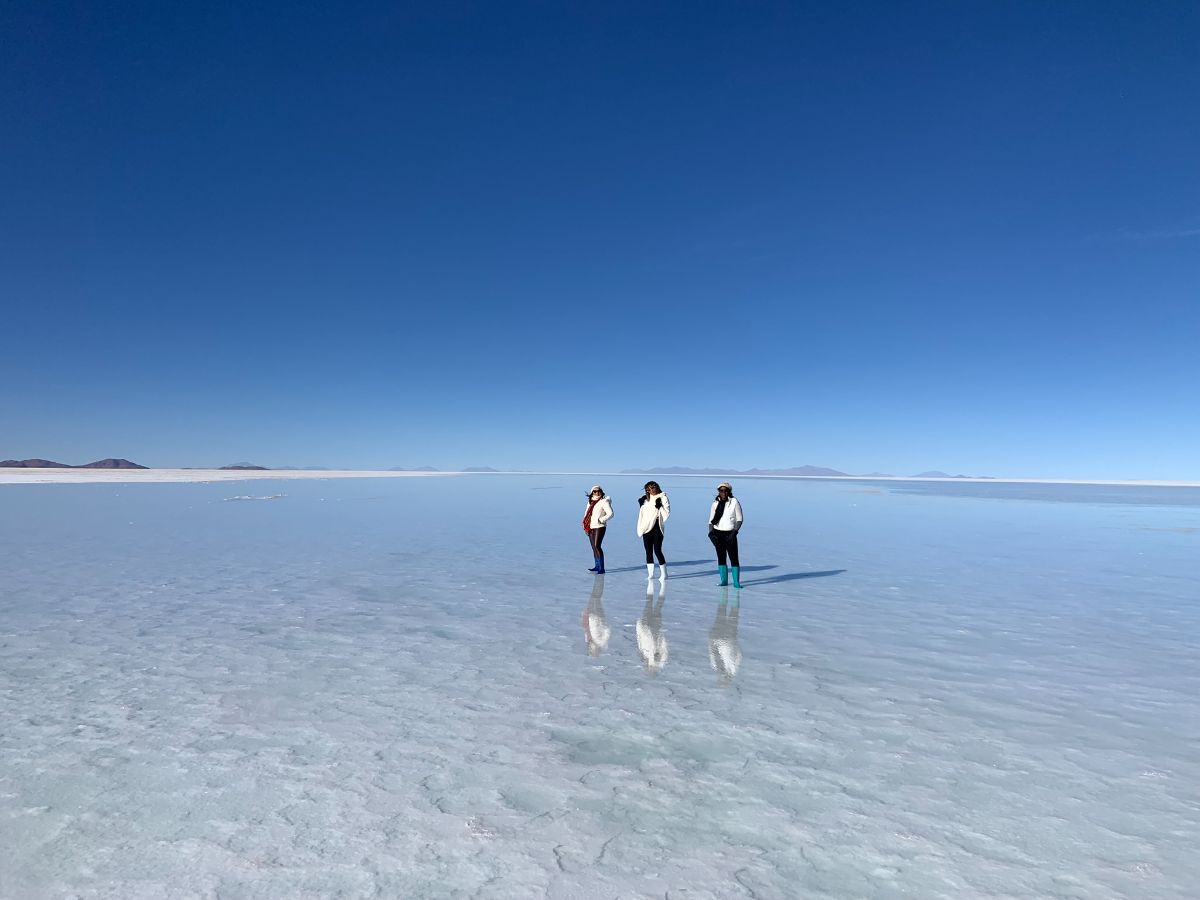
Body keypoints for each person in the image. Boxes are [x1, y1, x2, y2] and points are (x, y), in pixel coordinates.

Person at [707, 481, 743, 587]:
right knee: (721, 557)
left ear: (729, 491)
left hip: (730, 534)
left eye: (725, 490)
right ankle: (724, 581)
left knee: (734, 558)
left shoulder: (734, 502)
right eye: (721, 490)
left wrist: (734, 532)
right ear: (718, 491)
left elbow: (739, 519)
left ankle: (736, 582)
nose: (723, 492)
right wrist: (710, 533)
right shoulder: (715, 503)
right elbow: (711, 520)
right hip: (717, 533)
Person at [635, 480, 670, 580]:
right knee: (648, 551)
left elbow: (666, 515)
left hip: (657, 528)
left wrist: (660, 507)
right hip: (646, 528)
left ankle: (664, 574)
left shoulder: (663, 497)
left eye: (653, 487)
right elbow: (645, 513)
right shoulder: (646, 499)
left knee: (657, 550)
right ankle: (651, 574)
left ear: (657, 487)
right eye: (649, 489)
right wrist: (641, 504)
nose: (651, 490)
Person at [582, 484, 613, 573]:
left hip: (599, 527)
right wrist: (584, 524)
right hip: (590, 526)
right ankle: (597, 566)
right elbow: (586, 514)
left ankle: (602, 568)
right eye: (595, 491)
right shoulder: (590, 502)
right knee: (593, 547)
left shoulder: (604, 501)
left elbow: (611, 513)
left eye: (599, 491)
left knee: (597, 546)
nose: (597, 493)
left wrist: (601, 520)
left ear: (601, 492)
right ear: (592, 493)